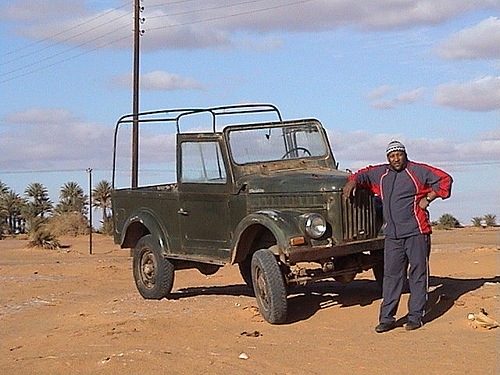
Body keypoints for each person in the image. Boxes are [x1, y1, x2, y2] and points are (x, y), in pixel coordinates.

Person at [343, 140, 453, 333]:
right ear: (388, 158)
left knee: (417, 274)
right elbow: (363, 174)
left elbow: (445, 179)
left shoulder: (417, 171)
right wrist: (353, 180)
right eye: (392, 156)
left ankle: (415, 317)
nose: (396, 159)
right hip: (392, 235)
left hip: (416, 232)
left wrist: (429, 198)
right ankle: (387, 318)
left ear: (405, 154)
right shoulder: (382, 174)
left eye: (399, 155)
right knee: (391, 276)